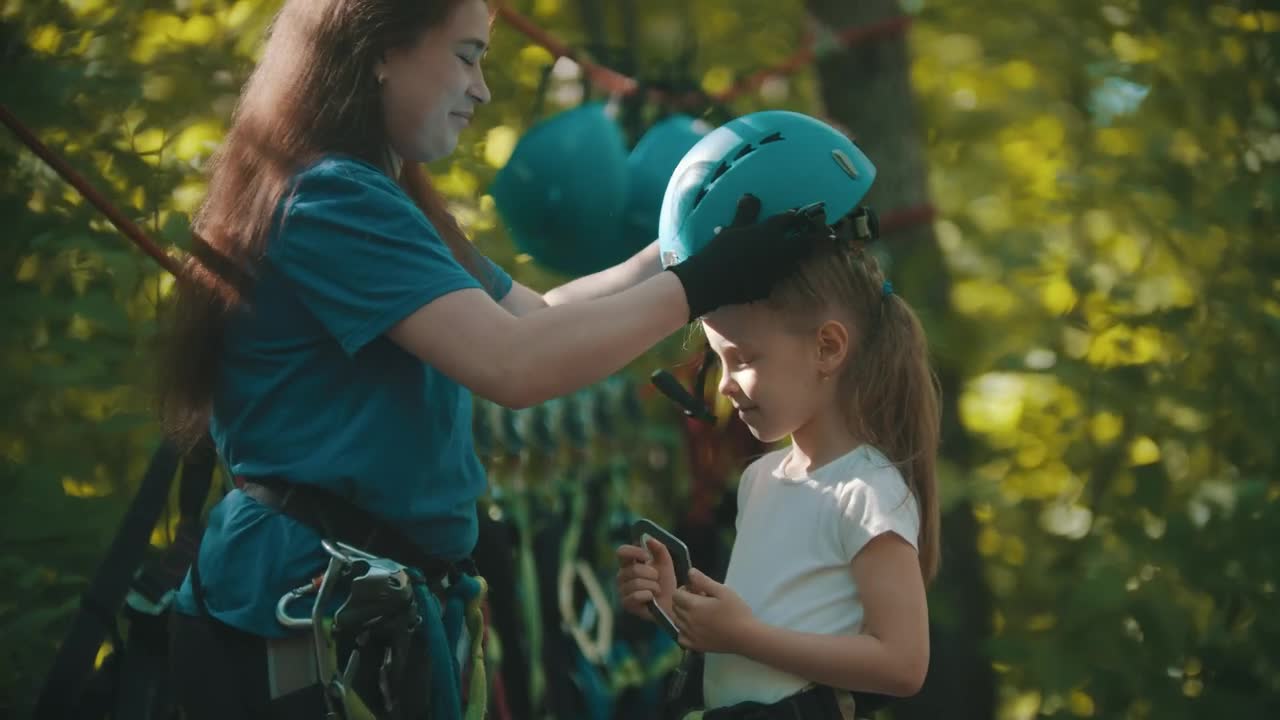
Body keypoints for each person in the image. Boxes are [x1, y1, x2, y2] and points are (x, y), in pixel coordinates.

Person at [156, 1, 824, 718]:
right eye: (468, 56)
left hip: (357, 607)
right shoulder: (331, 198)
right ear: (379, 49)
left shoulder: (375, 193)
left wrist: (684, 249)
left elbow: (534, 318)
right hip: (302, 612)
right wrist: (704, 283)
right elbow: (514, 365)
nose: (483, 90)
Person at [616, 115, 942, 719]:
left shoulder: (867, 490)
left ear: (827, 348)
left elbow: (903, 664)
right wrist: (676, 604)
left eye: (744, 359)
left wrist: (739, 635)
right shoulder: (762, 479)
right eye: (719, 360)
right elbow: (758, 644)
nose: (729, 385)